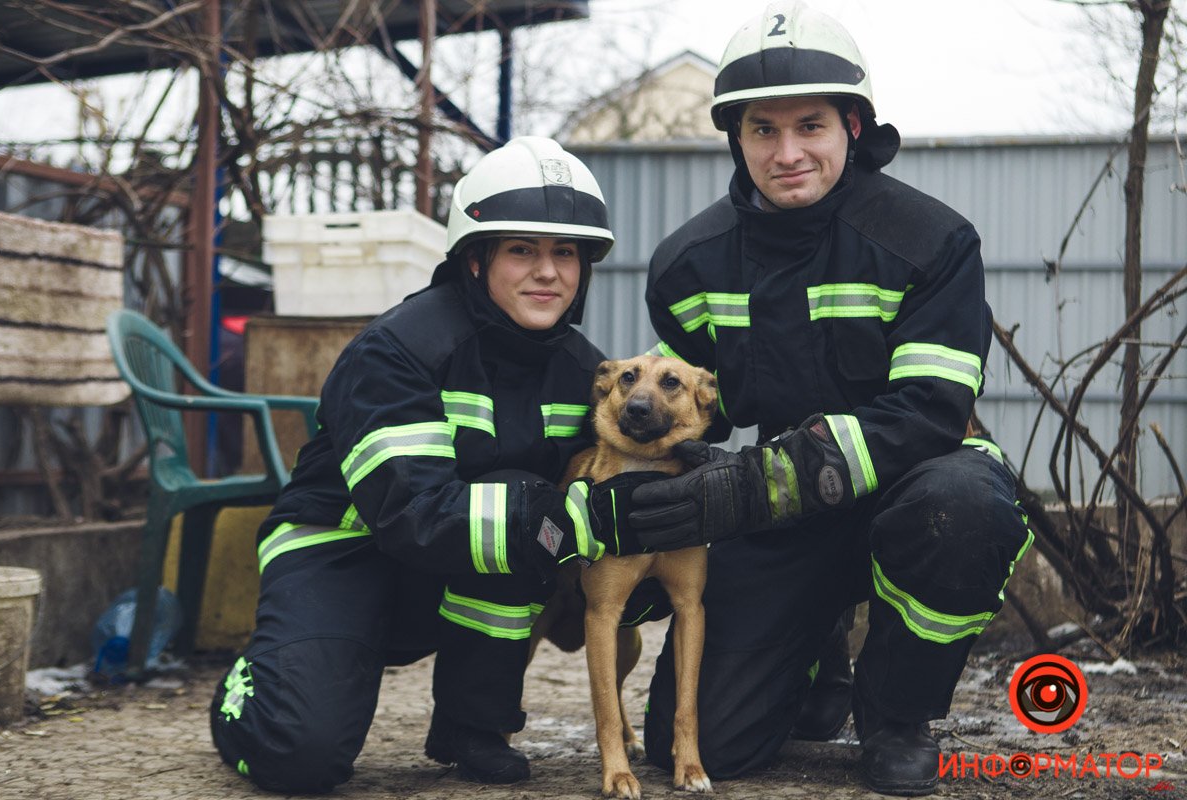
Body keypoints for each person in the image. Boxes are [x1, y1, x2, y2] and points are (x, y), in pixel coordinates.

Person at [627, 2, 1033, 796]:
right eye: (762, 131)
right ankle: (815, 664)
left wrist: (748, 486)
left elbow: (927, 413)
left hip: (917, 479)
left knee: (965, 506)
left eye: (809, 125)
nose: (787, 153)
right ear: (735, 138)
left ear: (853, 124)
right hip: (782, 500)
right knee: (702, 745)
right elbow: (685, 413)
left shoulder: (930, 242)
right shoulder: (688, 266)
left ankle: (897, 713)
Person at [209, 137, 646, 794]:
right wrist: (565, 521)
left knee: (522, 501)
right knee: (299, 757)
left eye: (566, 253)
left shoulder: (585, 371)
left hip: (445, 567)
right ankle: (253, 691)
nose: (548, 272)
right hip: (342, 550)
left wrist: (653, 526)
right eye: (521, 250)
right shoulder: (396, 351)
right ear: (475, 260)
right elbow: (408, 510)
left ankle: (473, 725)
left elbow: (593, 490)